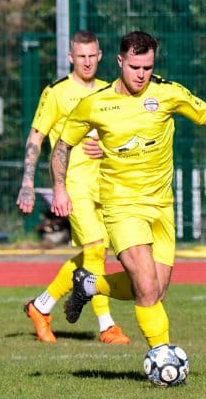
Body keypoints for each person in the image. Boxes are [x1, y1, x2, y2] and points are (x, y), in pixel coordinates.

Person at [50, 30, 206, 362]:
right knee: (146, 285)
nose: (141, 75)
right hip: (121, 206)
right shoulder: (95, 104)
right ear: (119, 61)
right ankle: (162, 358)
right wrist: (59, 186)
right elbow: (62, 145)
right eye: (135, 67)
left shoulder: (168, 93)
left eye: (148, 68)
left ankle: (89, 285)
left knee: (156, 290)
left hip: (161, 207)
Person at [16, 30, 130, 344]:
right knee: (95, 249)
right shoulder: (57, 92)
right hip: (73, 184)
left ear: (101, 56)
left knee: (97, 253)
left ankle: (41, 306)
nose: (87, 62)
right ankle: (107, 326)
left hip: (104, 184)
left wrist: (105, 148)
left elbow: (119, 136)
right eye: (81, 56)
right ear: (71, 57)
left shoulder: (110, 91)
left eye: (92, 56)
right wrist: (29, 183)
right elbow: (36, 137)